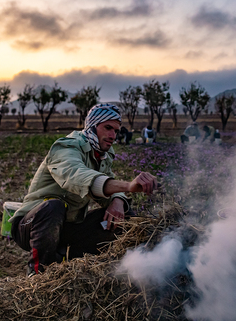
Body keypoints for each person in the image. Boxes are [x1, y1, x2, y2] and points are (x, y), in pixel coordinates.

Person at [10, 103, 158, 276]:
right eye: (108, 128)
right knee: (53, 207)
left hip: (67, 228)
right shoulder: (66, 147)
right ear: (93, 126)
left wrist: (117, 200)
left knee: (124, 218)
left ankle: (71, 263)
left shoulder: (101, 155)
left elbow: (107, 184)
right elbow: (78, 176)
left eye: (116, 131)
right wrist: (128, 186)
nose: (112, 135)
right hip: (32, 226)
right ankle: (38, 274)